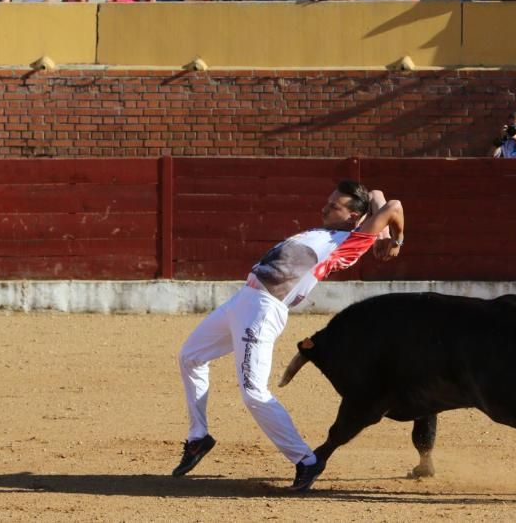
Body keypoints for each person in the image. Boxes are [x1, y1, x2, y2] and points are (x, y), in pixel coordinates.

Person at [173, 180, 404, 492]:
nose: (325, 207)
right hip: (244, 298)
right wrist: (384, 232)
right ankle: (198, 437)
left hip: (264, 308)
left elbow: (392, 207)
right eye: (329, 200)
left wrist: (392, 238)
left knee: (254, 391)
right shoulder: (337, 231)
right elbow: (377, 195)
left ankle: (306, 461)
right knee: (191, 357)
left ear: (352, 217)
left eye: (334, 205)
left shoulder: (350, 243)